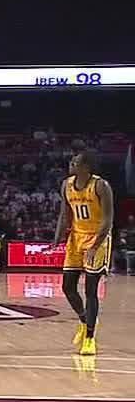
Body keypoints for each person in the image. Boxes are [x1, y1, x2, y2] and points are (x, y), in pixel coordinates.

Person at [54, 150, 113, 356]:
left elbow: (107, 220)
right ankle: (84, 318)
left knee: (90, 289)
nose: (71, 163)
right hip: (76, 238)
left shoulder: (101, 186)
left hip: (97, 238)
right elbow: (64, 214)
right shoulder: (66, 185)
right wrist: (58, 237)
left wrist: (95, 246)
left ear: (86, 168)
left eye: (76, 162)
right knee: (67, 287)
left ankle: (89, 338)